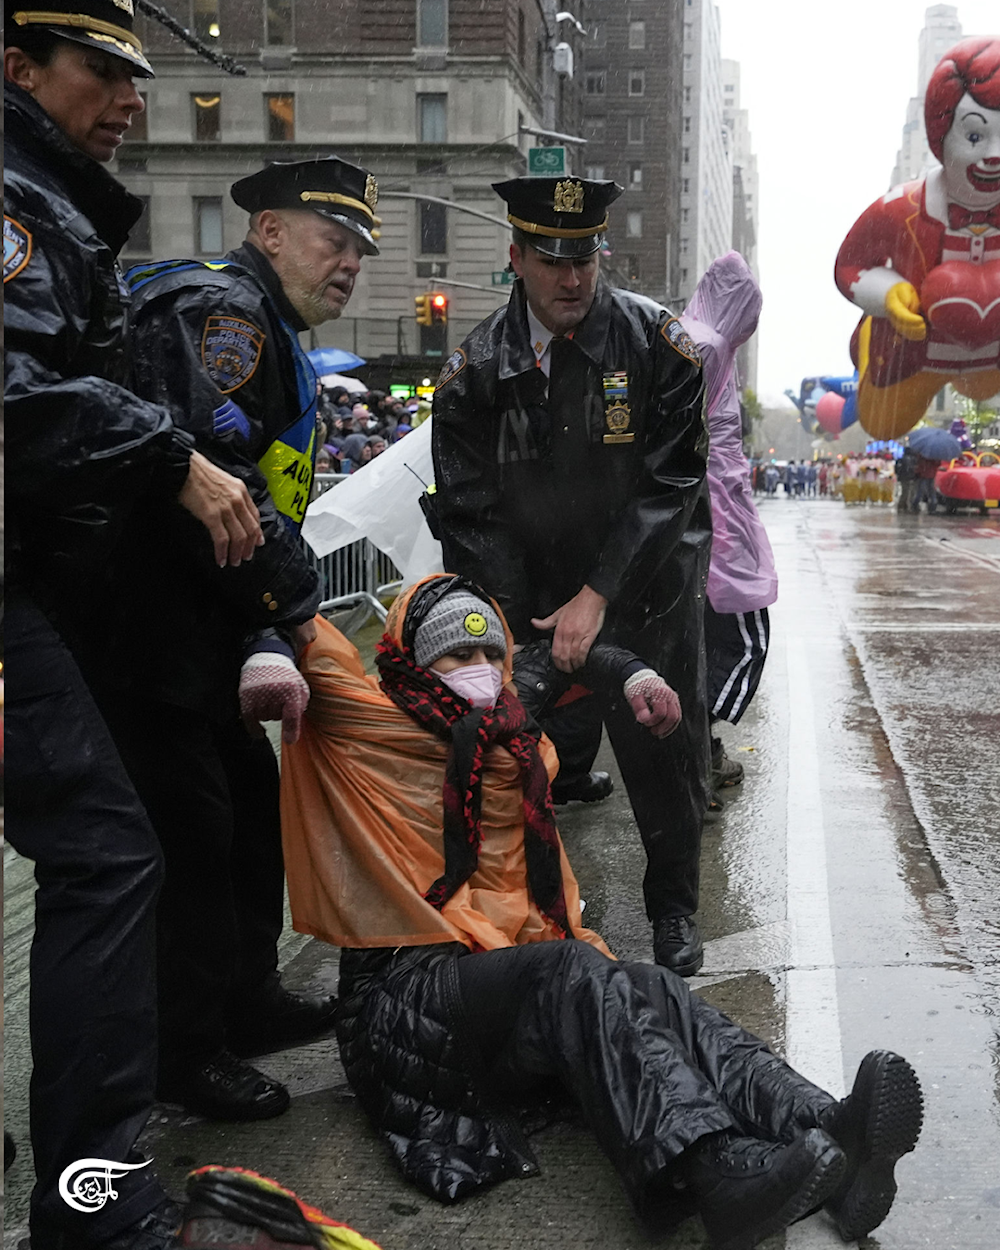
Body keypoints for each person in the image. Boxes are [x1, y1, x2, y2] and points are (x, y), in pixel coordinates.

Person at [279, 575, 924, 1250]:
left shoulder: (509, 718)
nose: (477, 672)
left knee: (647, 987)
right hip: (405, 999)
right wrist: (266, 653)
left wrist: (639, 672)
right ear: (414, 659)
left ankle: (825, 1127)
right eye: (454, 657)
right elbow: (278, 600)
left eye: (488, 656)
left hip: (494, 976)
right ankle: (715, 1173)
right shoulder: (361, 718)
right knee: (569, 969)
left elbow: (581, 656)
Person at [3, 6, 265, 1248]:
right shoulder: (16, 208)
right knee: (110, 858)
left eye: (135, 76)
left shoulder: (59, 206)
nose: (128, 100)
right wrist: (169, 458)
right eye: (100, 72)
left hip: (49, 594)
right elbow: (16, 396)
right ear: (19, 69)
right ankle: (92, 1205)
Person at [92, 156, 381, 1123]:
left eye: (358, 251)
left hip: (207, 630)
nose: (349, 264)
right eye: (331, 241)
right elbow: (215, 478)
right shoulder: (221, 316)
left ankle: (245, 998)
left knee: (254, 816)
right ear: (269, 235)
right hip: (151, 637)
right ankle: (187, 1052)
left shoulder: (268, 328)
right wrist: (298, 615)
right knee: (194, 842)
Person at [431, 176, 713, 975]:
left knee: (665, 755)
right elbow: (470, 510)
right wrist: (516, 624)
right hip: (533, 602)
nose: (571, 277)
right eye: (551, 258)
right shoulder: (475, 370)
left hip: (645, 590)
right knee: (513, 756)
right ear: (515, 257)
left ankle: (673, 912)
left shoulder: (659, 347)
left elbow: (671, 485)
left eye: (583, 256)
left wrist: (601, 596)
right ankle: (524, 910)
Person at [680, 254, 777, 794]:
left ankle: (697, 748)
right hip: (713, 509)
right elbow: (692, 440)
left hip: (710, 506)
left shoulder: (692, 334)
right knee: (744, 636)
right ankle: (696, 745)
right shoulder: (707, 345)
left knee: (698, 639)